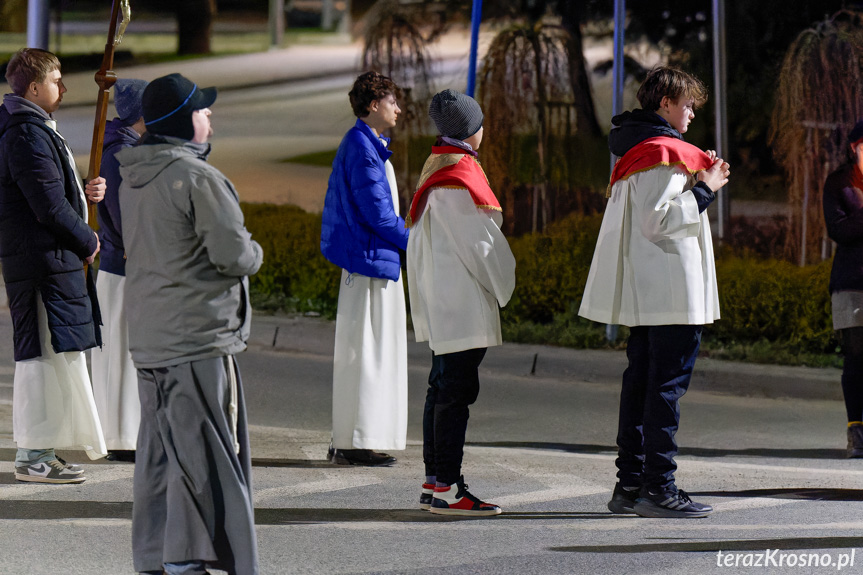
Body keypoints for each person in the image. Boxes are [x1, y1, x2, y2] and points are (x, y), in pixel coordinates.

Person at [117, 73, 262, 575]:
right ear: (184, 122)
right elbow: (234, 254)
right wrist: (256, 250)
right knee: (202, 456)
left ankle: (157, 556)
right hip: (196, 336)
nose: (209, 117)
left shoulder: (134, 174)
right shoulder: (198, 178)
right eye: (202, 111)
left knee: (159, 456)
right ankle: (188, 560)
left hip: (152, 336)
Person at [578, 66, 730, 518]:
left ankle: (629, 486)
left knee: (641, 386)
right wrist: (705, 187)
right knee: (664, 390)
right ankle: (658, 488)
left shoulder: (639, 148)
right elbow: (658, 221)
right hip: (672, 290)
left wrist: (699, 176)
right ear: (665, 102)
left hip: (649, 292)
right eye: (687, 105)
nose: (692, 115)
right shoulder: (664, 151)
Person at [0, 48, 107, 484]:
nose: (63, 88)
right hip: (41, 263)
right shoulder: (25, 134)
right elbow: (46, 206)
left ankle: (41, 452)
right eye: (56, 80)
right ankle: (33, 457)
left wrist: (83, 193)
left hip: (45, 260)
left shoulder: (31, 128)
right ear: (33, 88)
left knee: (49, 355)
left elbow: (48, 193)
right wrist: (87, 237)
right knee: (41, 358)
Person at [406, 89, 516, 516]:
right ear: (472, 132)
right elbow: (481, 246)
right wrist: (503, 286)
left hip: (444, 296)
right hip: (461, 299)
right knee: (455, 392)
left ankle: (435, 482)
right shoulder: (457, 176)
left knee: (441, 388)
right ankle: (448, 488)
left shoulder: (438, 165)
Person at [320, 71, 408, 467]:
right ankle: (354, 441)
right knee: (368, 354)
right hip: (369, 261)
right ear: (374, 105)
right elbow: (379, 216)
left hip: (368, 260)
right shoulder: (362, 146)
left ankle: (353, 437)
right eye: (392, 102)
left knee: (366, 353)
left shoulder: (365, 143)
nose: (398, 109)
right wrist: (419, 244)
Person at [91, 78, 148, 463]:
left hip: (117, 264)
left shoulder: (120, 147)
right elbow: (122, 212)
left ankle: (121, 432)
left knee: (120, 353)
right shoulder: (121, 153)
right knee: (123, 355)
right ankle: (122, 435)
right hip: (122, 264)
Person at [823, 119, 863, 459]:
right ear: (854, 148)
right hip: (851, 282)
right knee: (856, 358)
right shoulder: (839, 182)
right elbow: (839, 230)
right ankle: (856, 431)